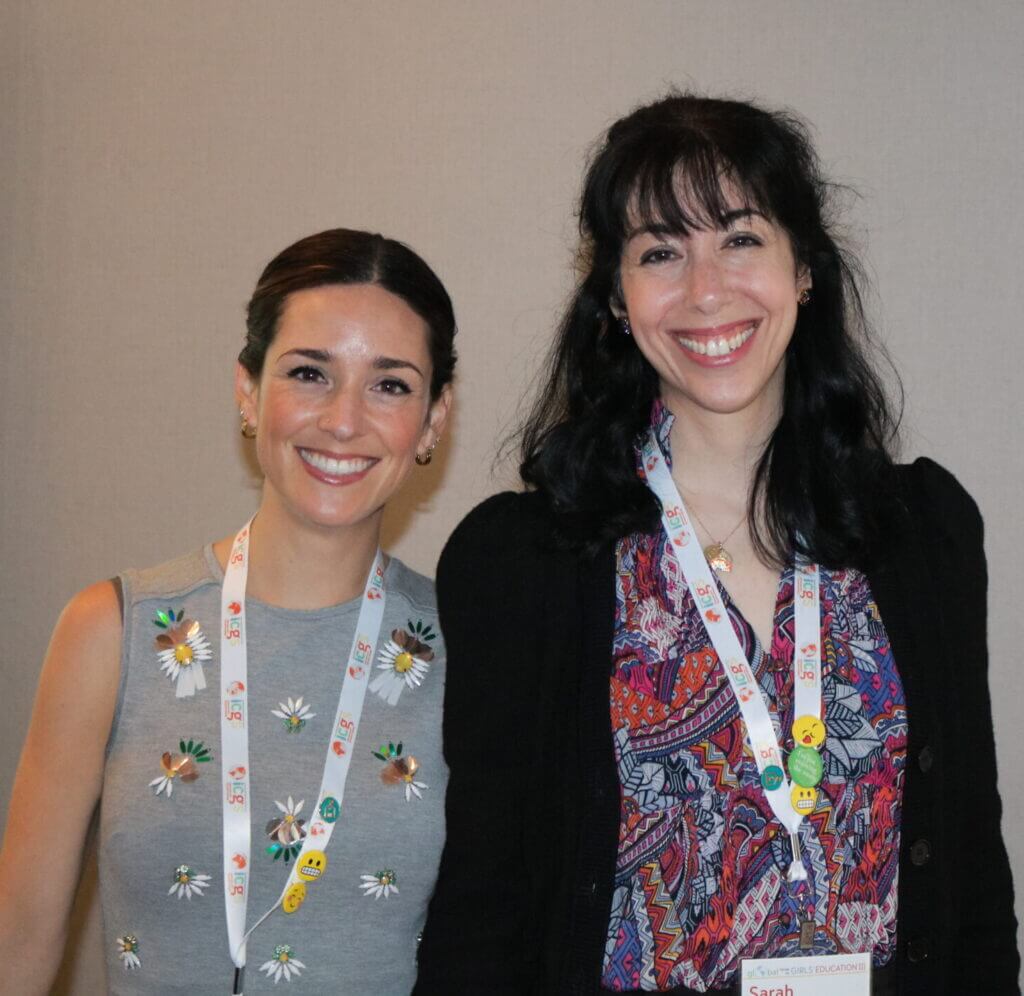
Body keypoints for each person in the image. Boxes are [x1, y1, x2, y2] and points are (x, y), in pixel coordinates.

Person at [415, 93, 1019, 995]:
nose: (706, 290)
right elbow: (483, 910)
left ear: (804, 270)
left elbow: (972, 874)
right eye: (661, 251)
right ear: (616, 299)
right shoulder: (522, 562)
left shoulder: (922, 530)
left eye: (740, 238)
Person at [0, 228, 454, 994]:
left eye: (390, 384)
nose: (343, 421)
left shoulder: (471, 651)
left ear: (434, 421)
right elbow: (19, 940)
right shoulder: (113, 630)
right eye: (310, 373)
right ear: (248, 392)